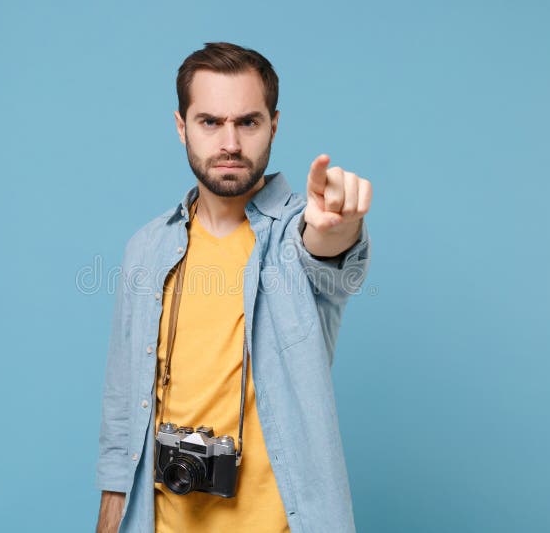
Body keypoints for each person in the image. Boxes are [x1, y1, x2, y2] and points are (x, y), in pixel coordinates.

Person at [95, 42, 372, 533]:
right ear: (181, 127)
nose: (230, 142)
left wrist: (337, 226)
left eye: (247, 121)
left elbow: (327, 251)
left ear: (274, 125)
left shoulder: (294, 234)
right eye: (209, 122)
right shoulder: (145, 249)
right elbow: (123, 415)